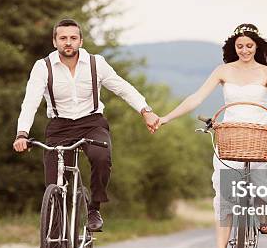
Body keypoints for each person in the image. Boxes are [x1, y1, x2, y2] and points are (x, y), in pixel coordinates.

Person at [157, 23, 267, 248]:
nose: (244, 50)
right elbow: (196, 98)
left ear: (256, 45)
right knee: (224, 200)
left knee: (261, 186)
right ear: (233, 47)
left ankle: (263, 214)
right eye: (239, 46)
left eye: (249, 45)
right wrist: (167, 118)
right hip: (231, 135)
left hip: (259, 135)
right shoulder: (223, 70)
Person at [13, 18, 160, 232]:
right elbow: (30, 101)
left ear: (81, 41)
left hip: (92, 123)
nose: (68, 42)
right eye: (63, 38)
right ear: (55, 42)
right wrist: (22, 133)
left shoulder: (95, 63)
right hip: (59, 126)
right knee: (54, 184)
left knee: (102, 157)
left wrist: (145, 111)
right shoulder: (42, 67)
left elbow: (122, 87)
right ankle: (53, 242)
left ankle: (94, 208)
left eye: (73, 38)